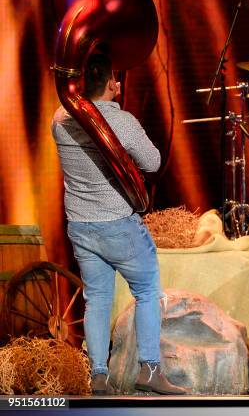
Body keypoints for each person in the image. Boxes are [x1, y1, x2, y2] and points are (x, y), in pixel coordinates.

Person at [52, 53, 186, 396]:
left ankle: (98, 376)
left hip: (80, 226)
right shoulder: (122, 121)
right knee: (147, 292)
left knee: (96, 299)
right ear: (112, 83)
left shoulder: (60, 118)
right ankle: (150, 370)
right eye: (115, 78)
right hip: (118, 226)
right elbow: (153, 162)